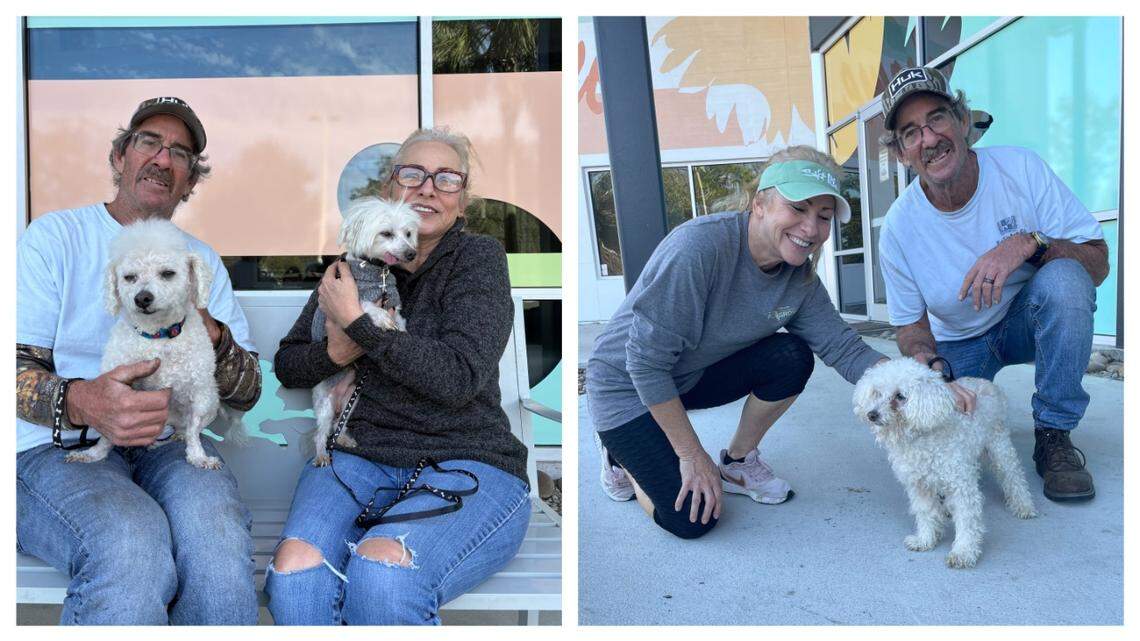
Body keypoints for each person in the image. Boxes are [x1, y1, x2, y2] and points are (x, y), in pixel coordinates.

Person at [585, 146, 964, 540]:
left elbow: (845, 348)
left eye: (824, 216)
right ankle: (619, 455)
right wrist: (691, 454)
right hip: (625, 387)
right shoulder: (698, 249)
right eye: (798, 208)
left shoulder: (798, 280)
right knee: (691, 519)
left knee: (791, 357)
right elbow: (645, 365)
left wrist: (928, 384)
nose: (811, 228)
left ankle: (737, 461)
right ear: (760, 203)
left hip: (687, 378)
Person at [265, 128, 531, 625]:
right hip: (357, 458)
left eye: (447, 179)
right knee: (296, 571)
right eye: (414, 174)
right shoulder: (353, 270)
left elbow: (458, 377)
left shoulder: (479, 260)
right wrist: (337, 348)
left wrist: (362, 327)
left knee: (383, 572)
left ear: (463, 199)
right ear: (392, 188)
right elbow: (289, 363)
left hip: (466, 456)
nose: (429, 188)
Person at [16, 97, 263, 624]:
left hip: (171, 446)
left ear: (191, 181)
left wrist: (208, 330)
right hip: (56, 450)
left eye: (181, 153)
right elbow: (12, 368)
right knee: (132, 548)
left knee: (218, 549)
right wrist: (85, 402)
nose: (163, 158)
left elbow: (247, 392)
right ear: (119, 156)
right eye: (149, 141)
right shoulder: (54, 239)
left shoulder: (201, 263)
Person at [877, 66, 1109, 502]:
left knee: (1064, 280)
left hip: (1026, 320)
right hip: (959, 343)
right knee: (949, 457)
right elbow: (910, 326)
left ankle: (1054, 435)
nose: (928, 139)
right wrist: (929, 366)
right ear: (901, 153)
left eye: (937, 119)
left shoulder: (1020, 168)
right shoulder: (898, 227)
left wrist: (1029, 243)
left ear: (963, 121)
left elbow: (1097, 264)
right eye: (910, 133)